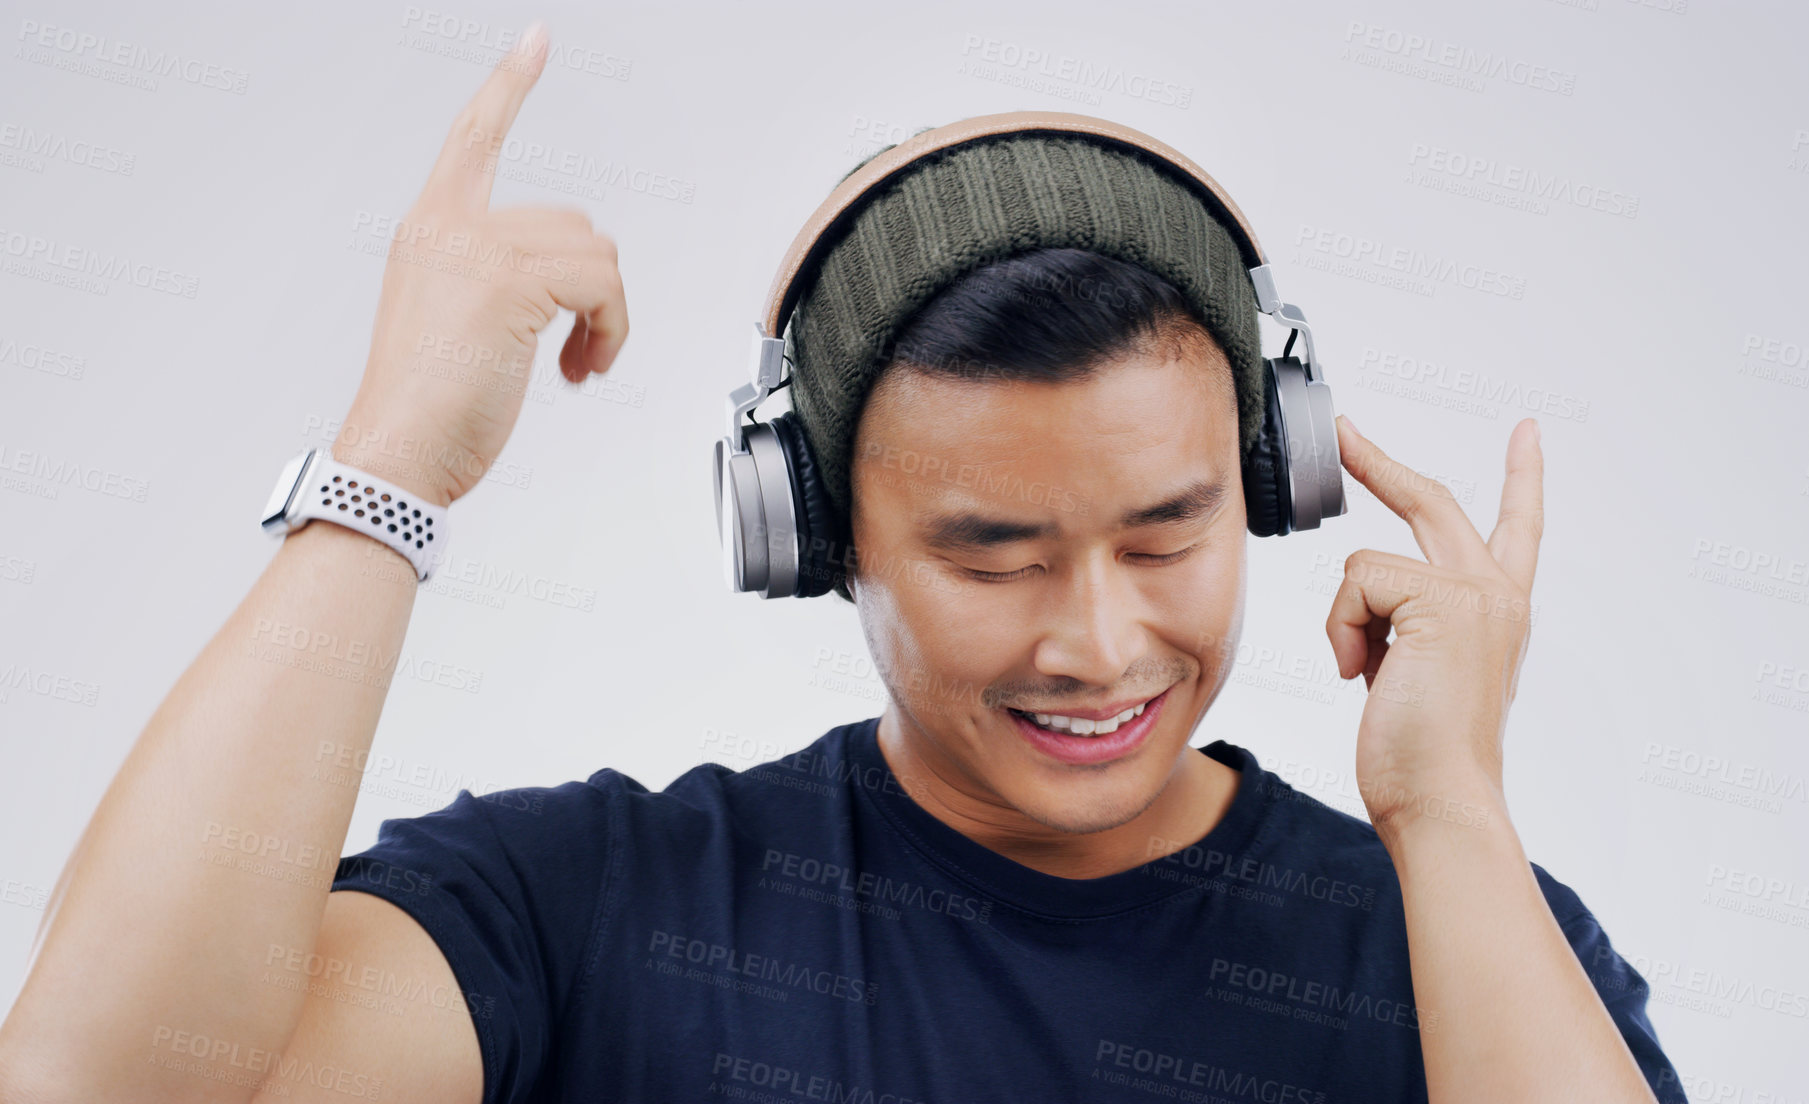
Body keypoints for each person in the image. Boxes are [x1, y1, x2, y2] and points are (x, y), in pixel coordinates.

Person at [0, 23, 1683, 1104]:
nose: (1098, 644)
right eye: (990, 555)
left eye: (1167, 531)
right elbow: (101, 1090)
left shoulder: (1462, 947)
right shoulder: (593, 915)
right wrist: (384, 471)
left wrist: (1453, 812)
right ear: (815, 540)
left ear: (1266, 480)